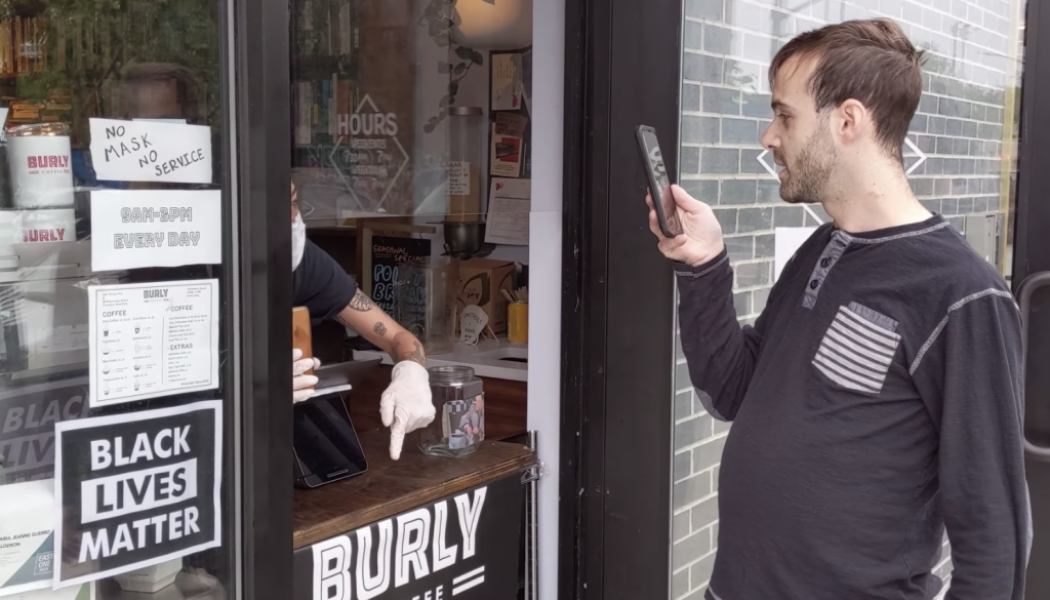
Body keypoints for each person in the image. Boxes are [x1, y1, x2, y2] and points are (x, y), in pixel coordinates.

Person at [646, 18, 1030, 600]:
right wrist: (704, 266)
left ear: (847, 121)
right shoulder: (823, 250)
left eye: (786, 115)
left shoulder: (961, 295)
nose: (768, 136)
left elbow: (993, 537)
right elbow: (731, 390)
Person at [289, 182, 433, 460]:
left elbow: (396, 337)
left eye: (294, 203)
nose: (292, 218)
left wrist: (412, 370)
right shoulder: (204, 267)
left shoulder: (305, 262)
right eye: (275, 206)